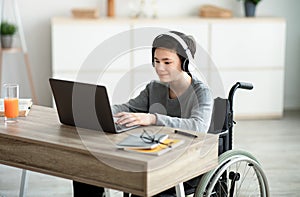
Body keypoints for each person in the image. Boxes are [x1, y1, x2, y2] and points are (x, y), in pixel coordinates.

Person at [73, 31, 213, 197]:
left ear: (184, 63)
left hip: (185, 161)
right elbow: (129, 108)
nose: (159, 68)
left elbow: (198, 126)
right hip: (152, 155)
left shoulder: (201, 92)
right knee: (86, 171)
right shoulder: (154, 87)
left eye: (167, 62)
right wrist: (98, 110)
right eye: (156, 61)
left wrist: (153, 118)